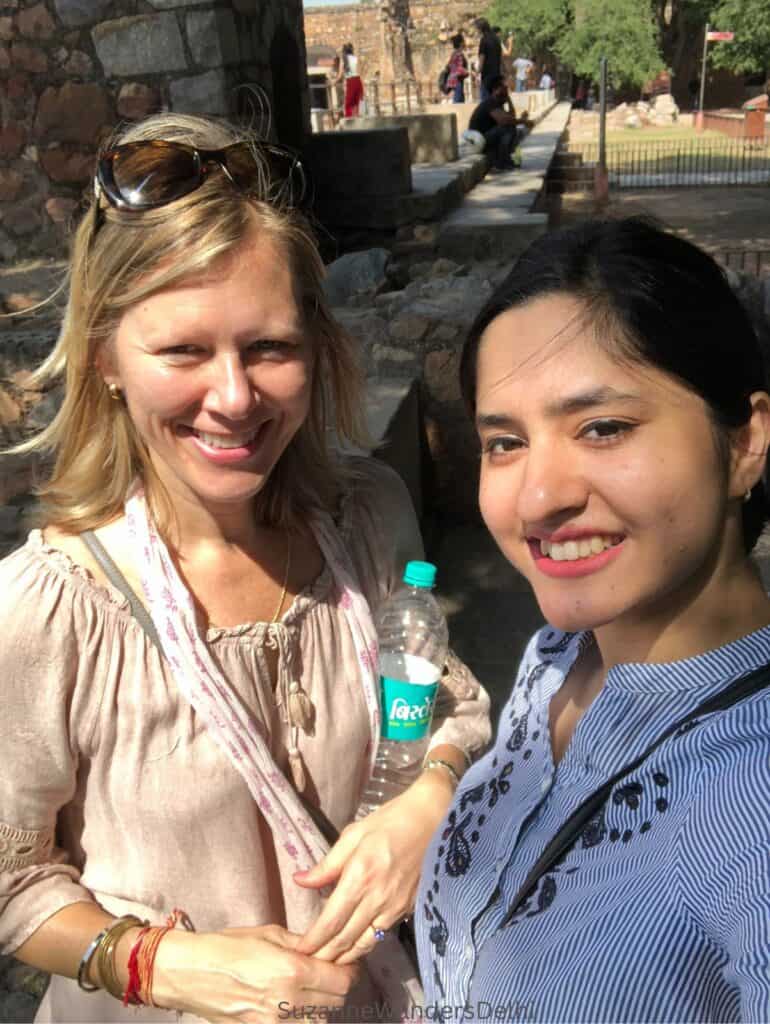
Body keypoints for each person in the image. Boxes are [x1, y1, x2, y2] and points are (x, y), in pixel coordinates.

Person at [0, 112, 492, 1023]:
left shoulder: (371, 521)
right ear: (107, 355)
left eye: (269, 347)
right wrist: (160, 966)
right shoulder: (48, 610)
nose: (234, 398)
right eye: (184, 350)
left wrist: (428, 798)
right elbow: (16, 882)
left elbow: (440, 705)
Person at [416, 217, 770, 1021]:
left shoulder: (752, 791)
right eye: (505, 443)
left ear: (746, 441)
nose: (539, 498)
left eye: (602, 428)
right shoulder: (560, 655)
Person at [468, 75, 524, 171]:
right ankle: (502, 162)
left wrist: (509, 100)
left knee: (514, 129)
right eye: (504, 87)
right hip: (477, 141)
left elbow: (511, 117)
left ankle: (512, 159)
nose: (507, 89)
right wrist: (525, 121)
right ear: (495, 89)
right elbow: (504, 121)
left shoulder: (498, 103)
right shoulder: (490, 102)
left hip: (487, 138)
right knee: (507, 127)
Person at [474, 18, 502, 102]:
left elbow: (482, 57)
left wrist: (478, 71)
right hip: (496, 72)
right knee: (495, 98)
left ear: (480, 28)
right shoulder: (496, 39)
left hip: (487, 74)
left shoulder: (484, 40)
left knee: (486, 100)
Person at [338, 42, 364, 118]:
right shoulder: (355, 58)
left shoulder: (343, 59)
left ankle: (349, 119)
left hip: (350, 80)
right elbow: (359, 71)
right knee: (357, 102)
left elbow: (340, 74)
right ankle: (357, 118)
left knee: (348, 103)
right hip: (358, 80)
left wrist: (334, 81)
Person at [445, 33, 469, 104]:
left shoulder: (454, 53)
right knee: (458, 101)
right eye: (463, 41)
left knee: (458, 99)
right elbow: (459, 68)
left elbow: (449, 65)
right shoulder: (459, 54)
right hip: (457, 79)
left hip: (454, 79)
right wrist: (467, 72)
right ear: (461, 43)